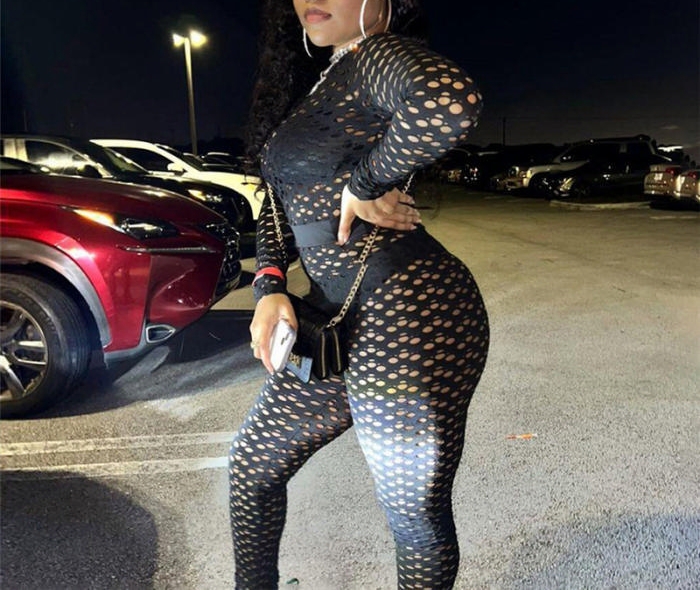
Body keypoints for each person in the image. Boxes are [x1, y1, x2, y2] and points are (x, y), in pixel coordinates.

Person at [228, 0, 489, 587]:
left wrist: (367, 181)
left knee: (411, 512)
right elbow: (276, 202)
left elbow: (451, 100)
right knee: (252, 468)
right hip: (334, 314)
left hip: (410, 311)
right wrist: (269, 285)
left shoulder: (378, 55)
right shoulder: (327, 78)